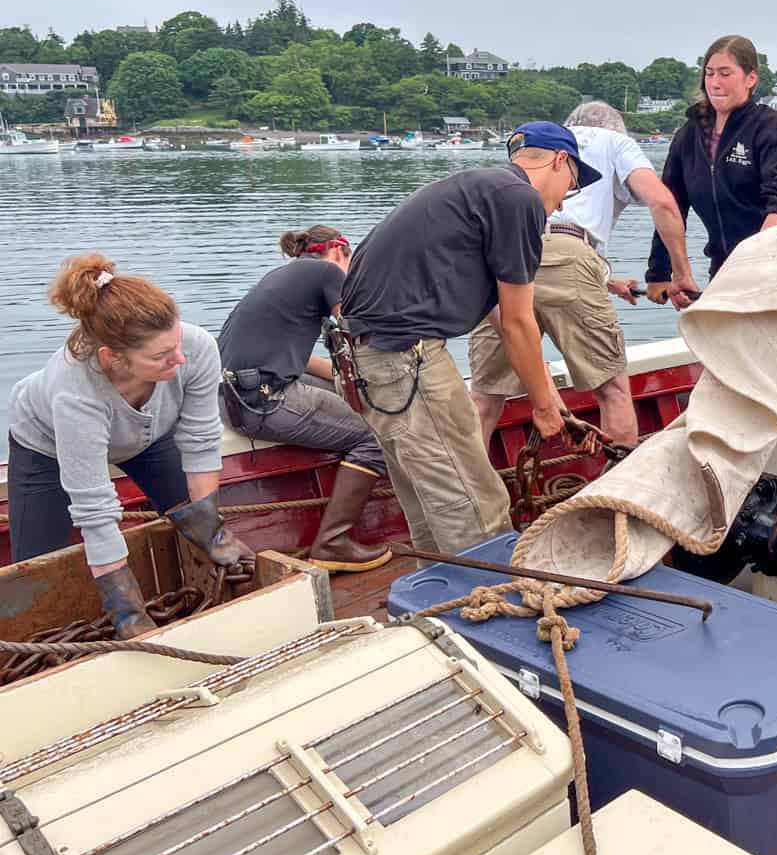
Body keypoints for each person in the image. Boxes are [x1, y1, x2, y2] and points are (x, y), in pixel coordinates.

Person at [334, 121, 598, 557]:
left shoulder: (478, 189)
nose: (562, 201)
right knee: (477, 508)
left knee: (431, 509)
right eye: (570, 186)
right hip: (405, 362)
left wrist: (552, 401)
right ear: (560, 160)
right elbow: (518, 323)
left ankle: (441, 607)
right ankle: (486, 610)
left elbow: (498, 314)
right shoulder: (520, 200)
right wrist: (544, 412)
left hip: (367, 363)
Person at [7, 255, 255, 636]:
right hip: (46, 446)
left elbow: (201, 441)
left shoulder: (196, 347)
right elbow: (94, 507)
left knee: (192, 517)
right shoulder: (75, 394)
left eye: (176, 343)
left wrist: (210, 530)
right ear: (113, 357)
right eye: (161, 356)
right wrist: (124, 603)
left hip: (149, 436)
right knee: (42, 568)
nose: (179, 358)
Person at [469, 103, 697, 448]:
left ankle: (472, 498)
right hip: (572, 257)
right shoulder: (617, 143)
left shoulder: (539, 147)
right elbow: (663, 203)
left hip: (502, 253)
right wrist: (680, 275)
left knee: (485, 399)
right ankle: (616, 498)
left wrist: (606, 280)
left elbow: (543, 241)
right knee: (613, 389)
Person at [218, 225, 391, 573]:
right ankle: (332, 542)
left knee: (350, 399)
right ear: (342, 250)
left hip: (234, 399)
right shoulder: (327, 271)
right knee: (377, 436)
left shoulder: (285, 276)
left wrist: (350, 387)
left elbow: (303, 362)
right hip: (265, 401)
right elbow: (359, 335)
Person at [642, 33, 777, 301]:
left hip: (771, 270)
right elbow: (670, 206)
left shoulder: (771, 127)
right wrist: (659, 273)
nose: (715, 83)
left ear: (750, 78)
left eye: (725, 73)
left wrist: (750, 267)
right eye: (709, 74)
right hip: (721, 269)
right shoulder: (689, 134)